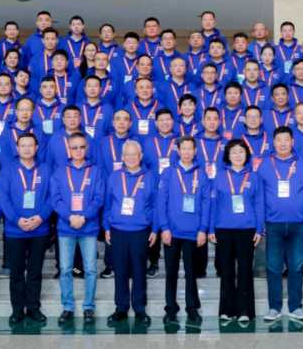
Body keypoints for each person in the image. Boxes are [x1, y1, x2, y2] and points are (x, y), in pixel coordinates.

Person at [257, 127, 303, 322]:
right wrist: (260, 222)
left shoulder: (302, 164)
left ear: (292, 142)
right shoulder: (265, 165)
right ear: (273, 142)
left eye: (286, 140)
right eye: (279, 140)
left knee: (296, 266)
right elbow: (260, 196)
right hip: (273, 223)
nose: (282, 143)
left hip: (298, 223)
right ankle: (274, 307)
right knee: (273, 267)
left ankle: (296, 306)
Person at [209, 139, 265, 324]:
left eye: (241, 151)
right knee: (226, 270)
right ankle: (226, 310)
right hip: (223, 228)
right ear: (228, 155)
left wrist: (259, 228)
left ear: (246, 155)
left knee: (245, 270)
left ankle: (245, 310)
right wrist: (211, 228)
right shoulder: (219, 176)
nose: (238, 155)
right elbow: (213, 204)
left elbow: (259, 204)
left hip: (247, 229)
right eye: (234, 152)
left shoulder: (254, 177)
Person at [0, 133, 52, 324]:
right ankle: (17, 309)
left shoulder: (45, 169)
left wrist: (40, 217)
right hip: (15, 230)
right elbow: (3, 198)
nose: (27, 149)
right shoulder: (8, 170)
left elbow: (52, 196)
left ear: (36, 148)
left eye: (30, 145)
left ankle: (33, 307)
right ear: (17, 148)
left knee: (35, 271)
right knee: (16, 272)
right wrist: (16, 219)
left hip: (39, 229)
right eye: (23, 145)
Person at [51, 132, 104, 324]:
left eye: (82, 147)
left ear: (86, 148)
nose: (78, 150)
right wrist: (70, 216)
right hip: (66, 228)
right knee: (66, 269)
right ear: (69, 149)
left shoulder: (95, 171)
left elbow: (98, 198)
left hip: (88, 228)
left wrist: (84, 216)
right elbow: (55, 199)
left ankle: (89, 306)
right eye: (74, 147)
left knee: (90, 269)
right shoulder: (59, 171)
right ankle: (68, 307)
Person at [103, 140, 158, 326]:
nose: (131, 158)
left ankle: (140, 309)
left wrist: (155, 229)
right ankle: (121, 308)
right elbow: (107, 205)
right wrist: (106, 227)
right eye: (128, 154)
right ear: (123, 157)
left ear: (140, 156)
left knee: (139, 271)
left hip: (140, 231)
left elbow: (156, 205)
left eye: (135, 154)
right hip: (118, 230)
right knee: (120, 271)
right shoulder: (114, 177)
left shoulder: (150, 177)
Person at [156, 136, 209, 325]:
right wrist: (164, 227)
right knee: (171, 272)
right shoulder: (168, 173)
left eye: (190, 149)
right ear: (178, 151)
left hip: (193, 232)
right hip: (171, 231)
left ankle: (192, 308)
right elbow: (161, 202)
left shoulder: (201, 174)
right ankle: (171, 308)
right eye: (183, 148)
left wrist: (203, 229)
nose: (187, 152)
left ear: (195, 151)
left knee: (191, 272)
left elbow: (206, 203)